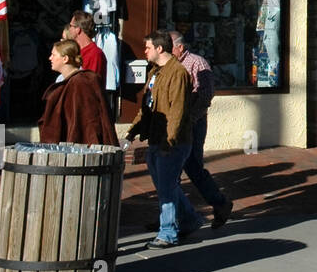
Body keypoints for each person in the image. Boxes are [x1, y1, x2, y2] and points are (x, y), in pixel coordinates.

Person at [126, 31, 200, 248]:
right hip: (156, 139)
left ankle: (168, 232)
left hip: (172, 141)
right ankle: (190, 219)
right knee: (166, 186)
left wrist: (170, 141)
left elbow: (177, 111)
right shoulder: (155, 73)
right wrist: (131, 133)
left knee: (167, 188)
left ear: (159, 49)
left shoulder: (177, 73)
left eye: (147, 47)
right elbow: (147, 107)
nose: (144, 51)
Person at [171, 31, 232, 229]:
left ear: (180, 47)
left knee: (193, 166)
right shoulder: (168, 64)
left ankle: (220, 203)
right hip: (173, 123)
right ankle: (170, 214)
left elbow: (206, 95)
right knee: (171, 170)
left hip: (192, 124)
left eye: (169, 45)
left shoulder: (197, 63)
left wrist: (190, 119)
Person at [38, 39, 118, 146]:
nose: (50, 58)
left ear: (65, 59)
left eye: (53, 55)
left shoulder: (81, 82)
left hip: (83, 148)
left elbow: (88, 121)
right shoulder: (70, 82)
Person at [63, 11, 107, 85]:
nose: (69, 29)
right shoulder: (77, 51)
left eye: (71, 26)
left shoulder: (94, 54)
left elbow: (90, 86)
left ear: (78, 30)